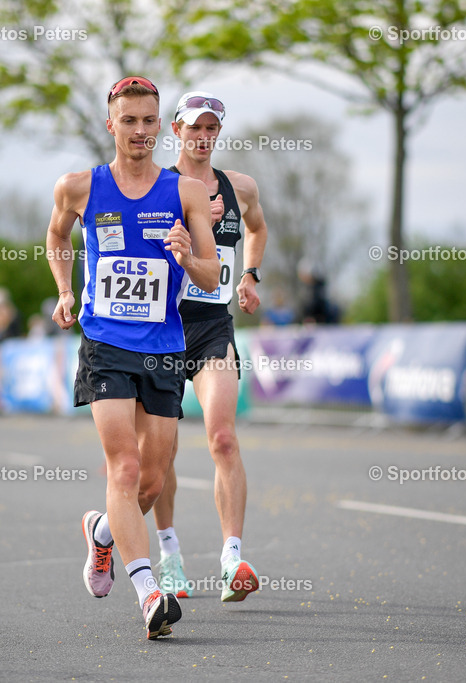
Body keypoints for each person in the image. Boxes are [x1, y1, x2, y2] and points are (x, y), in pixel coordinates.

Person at [46, 76, 219, 639]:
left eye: (148, 120)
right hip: (105, 343)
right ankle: (149, 594)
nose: (140, 131)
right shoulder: (79, 188)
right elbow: (57, 238)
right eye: (129, 121)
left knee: (151, 480)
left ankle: (101, 533)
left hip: (165, 347)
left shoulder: (186, 192)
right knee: (122, 467)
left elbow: (212, 276)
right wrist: (65, 290)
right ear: (111, 125)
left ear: (160, 125)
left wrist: (187, 257)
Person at [150, 91, 269, 603]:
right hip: (161, 329)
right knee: (161, 452)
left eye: (211, 129)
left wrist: (249, 275)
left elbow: (257, 228)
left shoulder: (240, 187)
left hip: (213, 326)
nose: (202, 137)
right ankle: (170, 555)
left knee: (222, 438)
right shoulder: (156, 186)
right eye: (193, 128)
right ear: (176, 131)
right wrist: (191, 222)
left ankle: (231, 559)